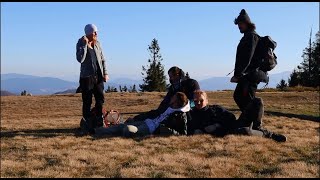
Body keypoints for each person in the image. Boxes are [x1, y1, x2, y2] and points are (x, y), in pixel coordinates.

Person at [188, 90, 287, 142]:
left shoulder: (216, 108)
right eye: (196, 101)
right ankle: (269, 135)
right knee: (245, 131)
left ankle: (258, 127)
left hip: (234, 125)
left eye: (201, 100)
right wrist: (201, 131)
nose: (198, 103)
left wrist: (217, 125)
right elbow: (189, 129)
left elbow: (231, 117)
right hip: (230, 133)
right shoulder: (192, 114)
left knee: (257, 101)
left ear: (207, 100)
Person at [93, 92, 190, 138]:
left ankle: (105, 134)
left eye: (173, 97)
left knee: (126, 129)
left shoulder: (180, 115)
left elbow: (182, 134)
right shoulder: (168, 107)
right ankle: (96, 131)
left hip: (150, 129)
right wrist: (139, 117)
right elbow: (154, 113)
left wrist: (163, 129)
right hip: (146, 122)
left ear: (177, 101)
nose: (171, 98)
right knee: (122, 125)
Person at [129, 66, 200, 122]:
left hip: (188, 113)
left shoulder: (192, 83)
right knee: (154, 114)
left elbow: (195, 101)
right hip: (171, 111)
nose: (172, 78)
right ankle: (135, 119)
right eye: (170, 77)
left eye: (173, 76)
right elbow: (165, 102)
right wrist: (160, 110)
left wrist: (182, 107)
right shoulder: (173, 88)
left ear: (179, 74)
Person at [230, 9, 269, 112]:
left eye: (241, 23)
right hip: (249, 74)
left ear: (247, 23)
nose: (239, 26)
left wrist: (237, 75)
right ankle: (248, 120)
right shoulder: (248, 36)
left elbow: (247, 57)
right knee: (239, 96)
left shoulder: (251, 37)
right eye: (238, 24)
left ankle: (255, 124)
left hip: (252, 74)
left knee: (247, 99)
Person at [76, 24, 109, 133]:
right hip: (87, 78)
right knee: (87, 101)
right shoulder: (81, 43)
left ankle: (99, 123)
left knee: (100, 99)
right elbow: (80, 59)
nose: (96, 34)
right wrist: (85, 45)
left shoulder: (98, 44)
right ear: (88, 33)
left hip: (98, 76)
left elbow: (103, 59)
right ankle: (87, 125)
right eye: (94, 32)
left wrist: (105, 73)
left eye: (96, 32)